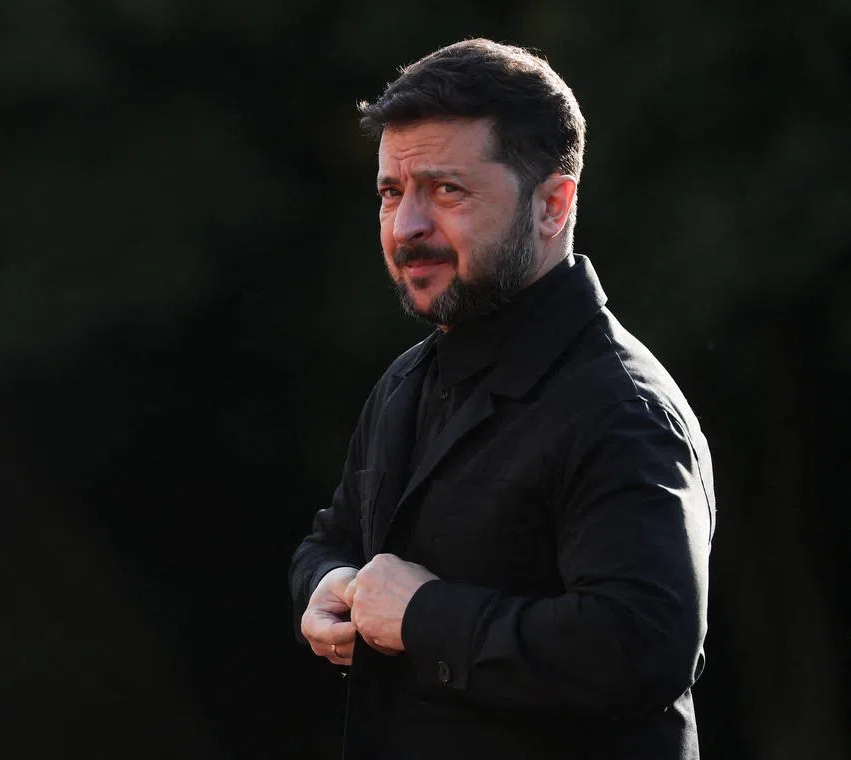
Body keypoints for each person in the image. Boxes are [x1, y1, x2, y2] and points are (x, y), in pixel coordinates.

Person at [288, 38, 716, 760]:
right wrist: (331, 586)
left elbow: (643, 647)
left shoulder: (623, 408)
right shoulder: (406, 382)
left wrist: (423, 616)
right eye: (392, 193)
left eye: (446, 190)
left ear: (553, 205)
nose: (406, 227)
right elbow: (332, 537)